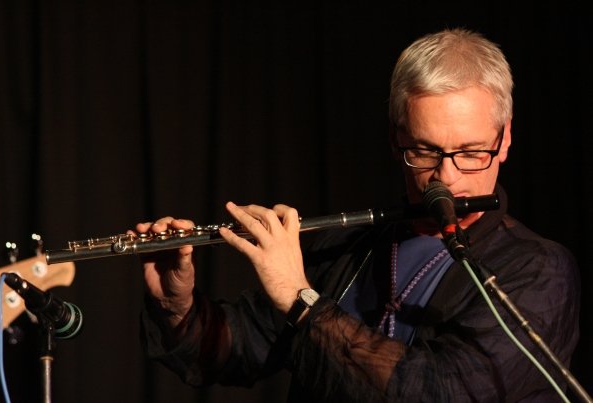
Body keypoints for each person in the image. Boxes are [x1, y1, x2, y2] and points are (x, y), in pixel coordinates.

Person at [137, 28, 581, 402]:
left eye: (470, 152)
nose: (444, 177)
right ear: (395, 140)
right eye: (423, 151)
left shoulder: (538, 270)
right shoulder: (350, 243)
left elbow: (437, 391)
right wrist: (176, 304)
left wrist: (302, 299)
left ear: (503, 141)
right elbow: (236, 349)